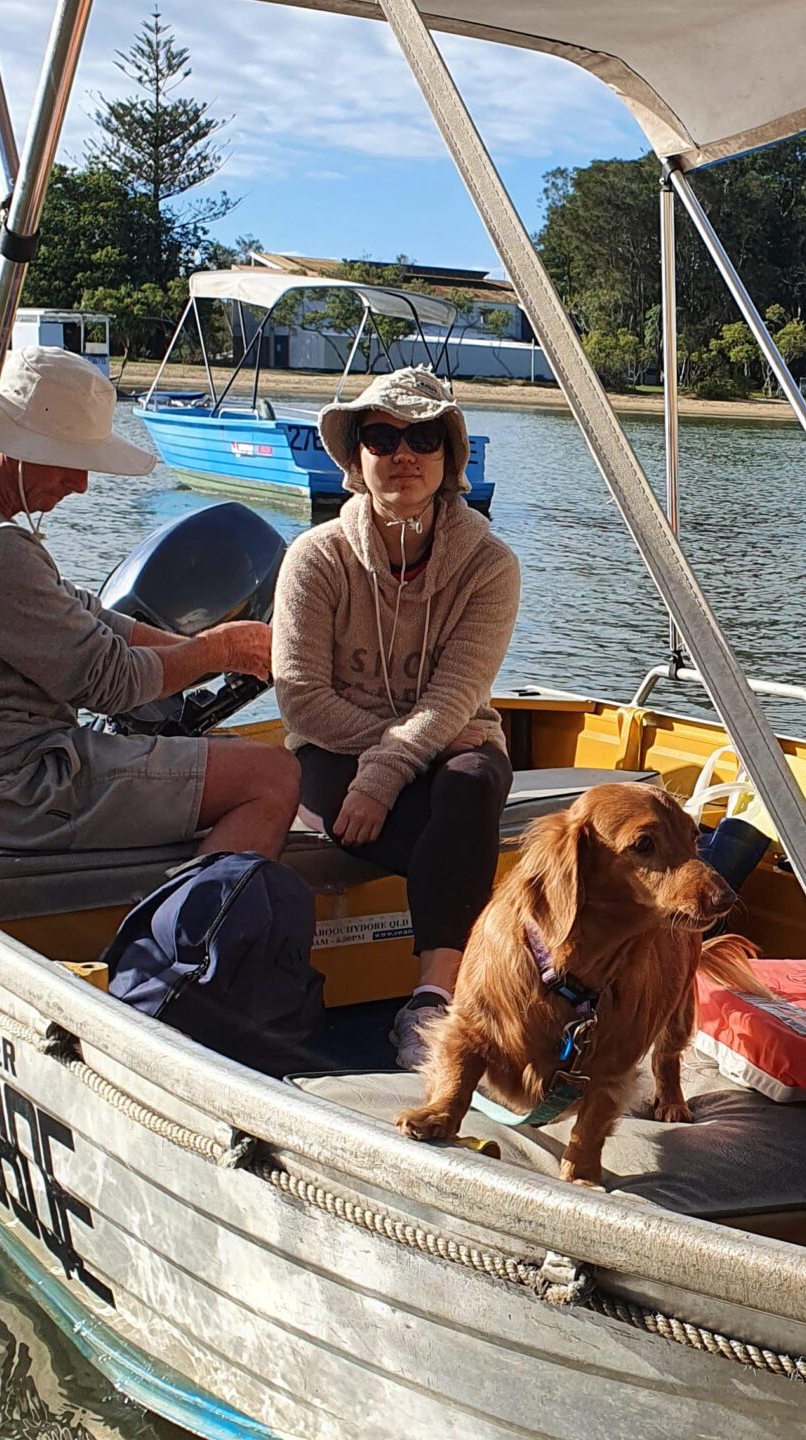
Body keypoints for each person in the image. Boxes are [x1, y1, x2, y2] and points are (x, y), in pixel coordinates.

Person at [0, 346, 298, 858]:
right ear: (9, 445)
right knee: (273, 776)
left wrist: (210, 648)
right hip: (3, 794)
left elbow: (84, 613)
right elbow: (112, 685)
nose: (83, 484)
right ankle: (181, 934)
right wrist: (220, 650)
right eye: (71, 462)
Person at [272, 368, 520, 1068]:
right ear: (357, 458)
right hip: (332, 749)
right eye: (383, 437)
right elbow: (300, 699)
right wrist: (390, 760)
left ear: (450, 459)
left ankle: (431, 1000)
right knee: (451, 834)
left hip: (449, 747)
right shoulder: (314, 559)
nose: (403, 454)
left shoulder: (491, 566)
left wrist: (385, 771)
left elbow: (452, 699)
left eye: (423, 437)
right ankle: (509, 962)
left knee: (471, 782)